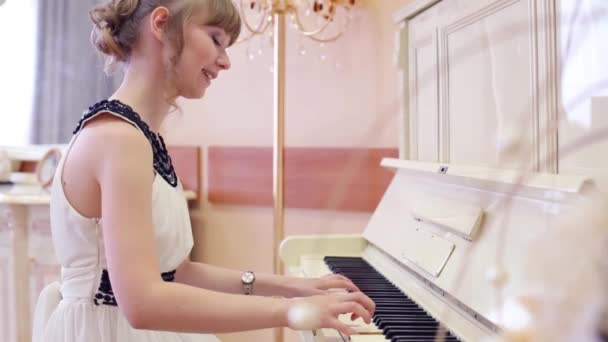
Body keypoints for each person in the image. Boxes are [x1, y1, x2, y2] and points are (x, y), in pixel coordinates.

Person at [31, 0, 375, 341]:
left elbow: (176, 272)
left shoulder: (139, 136)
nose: (224, 62)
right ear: (161, 24)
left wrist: (291, 287)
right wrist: (289, 312)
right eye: (215, 40)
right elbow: (141, 304)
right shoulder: (118, 139)